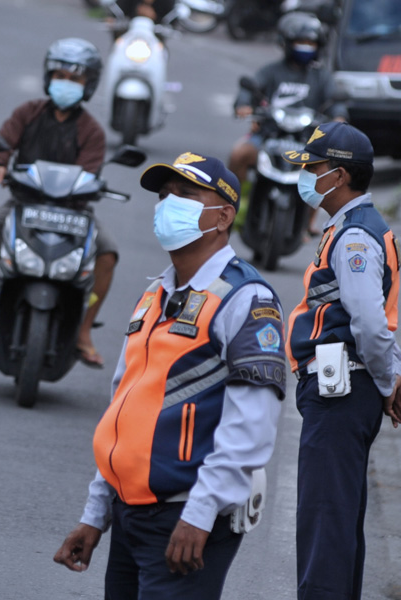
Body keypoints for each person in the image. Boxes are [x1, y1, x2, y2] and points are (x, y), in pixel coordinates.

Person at [54, 152, 285, 599]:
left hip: (186, 519)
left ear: (222, 217)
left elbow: (251, 428)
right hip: (129, 513)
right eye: (164, 195)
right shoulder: (157, 294)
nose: (167, 204)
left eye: (185, 194)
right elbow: (124, 409)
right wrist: (96, 512)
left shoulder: (246, 299)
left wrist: (199, 514)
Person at [282, 121, 401, 600]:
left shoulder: (355, 238)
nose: (308, 175)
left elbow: (371, 325)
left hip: (342, 391)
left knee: (325, 522)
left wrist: (390, 380)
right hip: (347, 390)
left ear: (341, 175)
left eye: (316, 166)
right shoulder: (355, 229)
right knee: (338, 522)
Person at [0, 37, 115, 368]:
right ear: (49, 77)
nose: (66, 84)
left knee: (107, 254)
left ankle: (84, 331)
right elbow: (2, 144)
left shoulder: (92, 131)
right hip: (22, 206)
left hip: (75, 213)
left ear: (88, 85)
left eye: (75, 79)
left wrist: (91, 186)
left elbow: (91, 173)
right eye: (61, 76)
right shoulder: (27, 113)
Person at [228, 11, 348, 235]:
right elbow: (249, 89)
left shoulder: (322, 77)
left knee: (327, 171)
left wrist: (339, 118)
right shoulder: (271, 71)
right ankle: (237, 204)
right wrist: (244, 106)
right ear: (286, 42)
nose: (306, 46)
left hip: (307, 143)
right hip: (268, 137)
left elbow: (336, 102)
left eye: (310, 42)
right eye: (300, 42)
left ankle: (308, 222)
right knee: (239, 154)